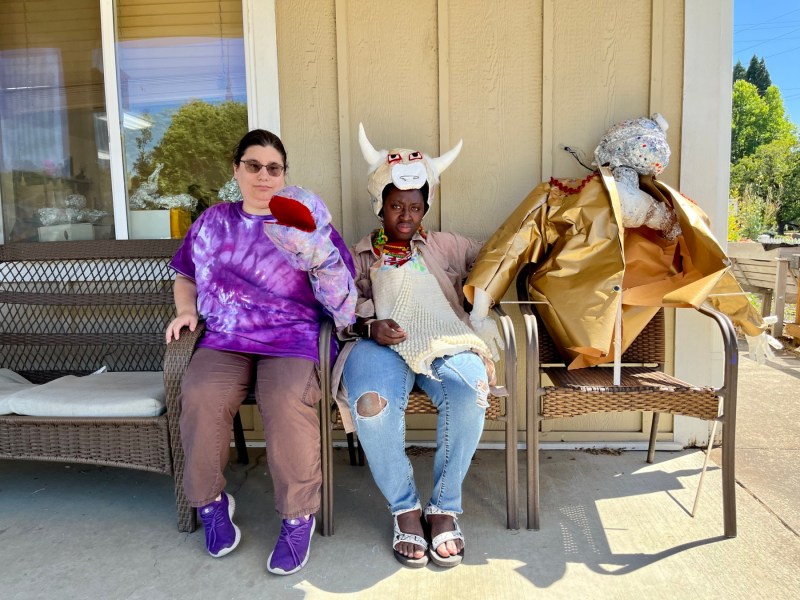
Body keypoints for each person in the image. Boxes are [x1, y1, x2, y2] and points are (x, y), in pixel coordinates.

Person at [165, 129, 356, 575]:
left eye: (273, 168)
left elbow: (342, 290)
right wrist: (186, 310)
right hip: (226, 337)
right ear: (236, 170)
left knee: (286, 400)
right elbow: (184, 273)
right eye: (253, 165)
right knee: (199, 394)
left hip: (291, 339)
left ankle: (297, 516)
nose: (263, 175)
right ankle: (211, 504)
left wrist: (317, 252)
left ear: (284, 174)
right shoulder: (213, 221)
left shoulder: (303, 220)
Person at [464, 114, 773, 369]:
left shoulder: (672, 209)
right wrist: (479, 310)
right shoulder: (562, 195)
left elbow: (708, 262)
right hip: (572, 315)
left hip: (629, 314)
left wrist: (750, 322)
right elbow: (512, 242)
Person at [332, 124, 503, 569]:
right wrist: (368, 326)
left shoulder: (445, 246)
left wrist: (481, 299)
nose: (405, 216)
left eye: (414, 206)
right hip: (378, 346)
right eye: (395, 206)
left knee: (471, 384)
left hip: (442, 341)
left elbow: (499, 255)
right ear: (380, 206)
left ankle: (444, 507)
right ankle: (405, 508)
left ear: (425, 208)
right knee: (371, 403)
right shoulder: (359, 256)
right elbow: (334, 307)